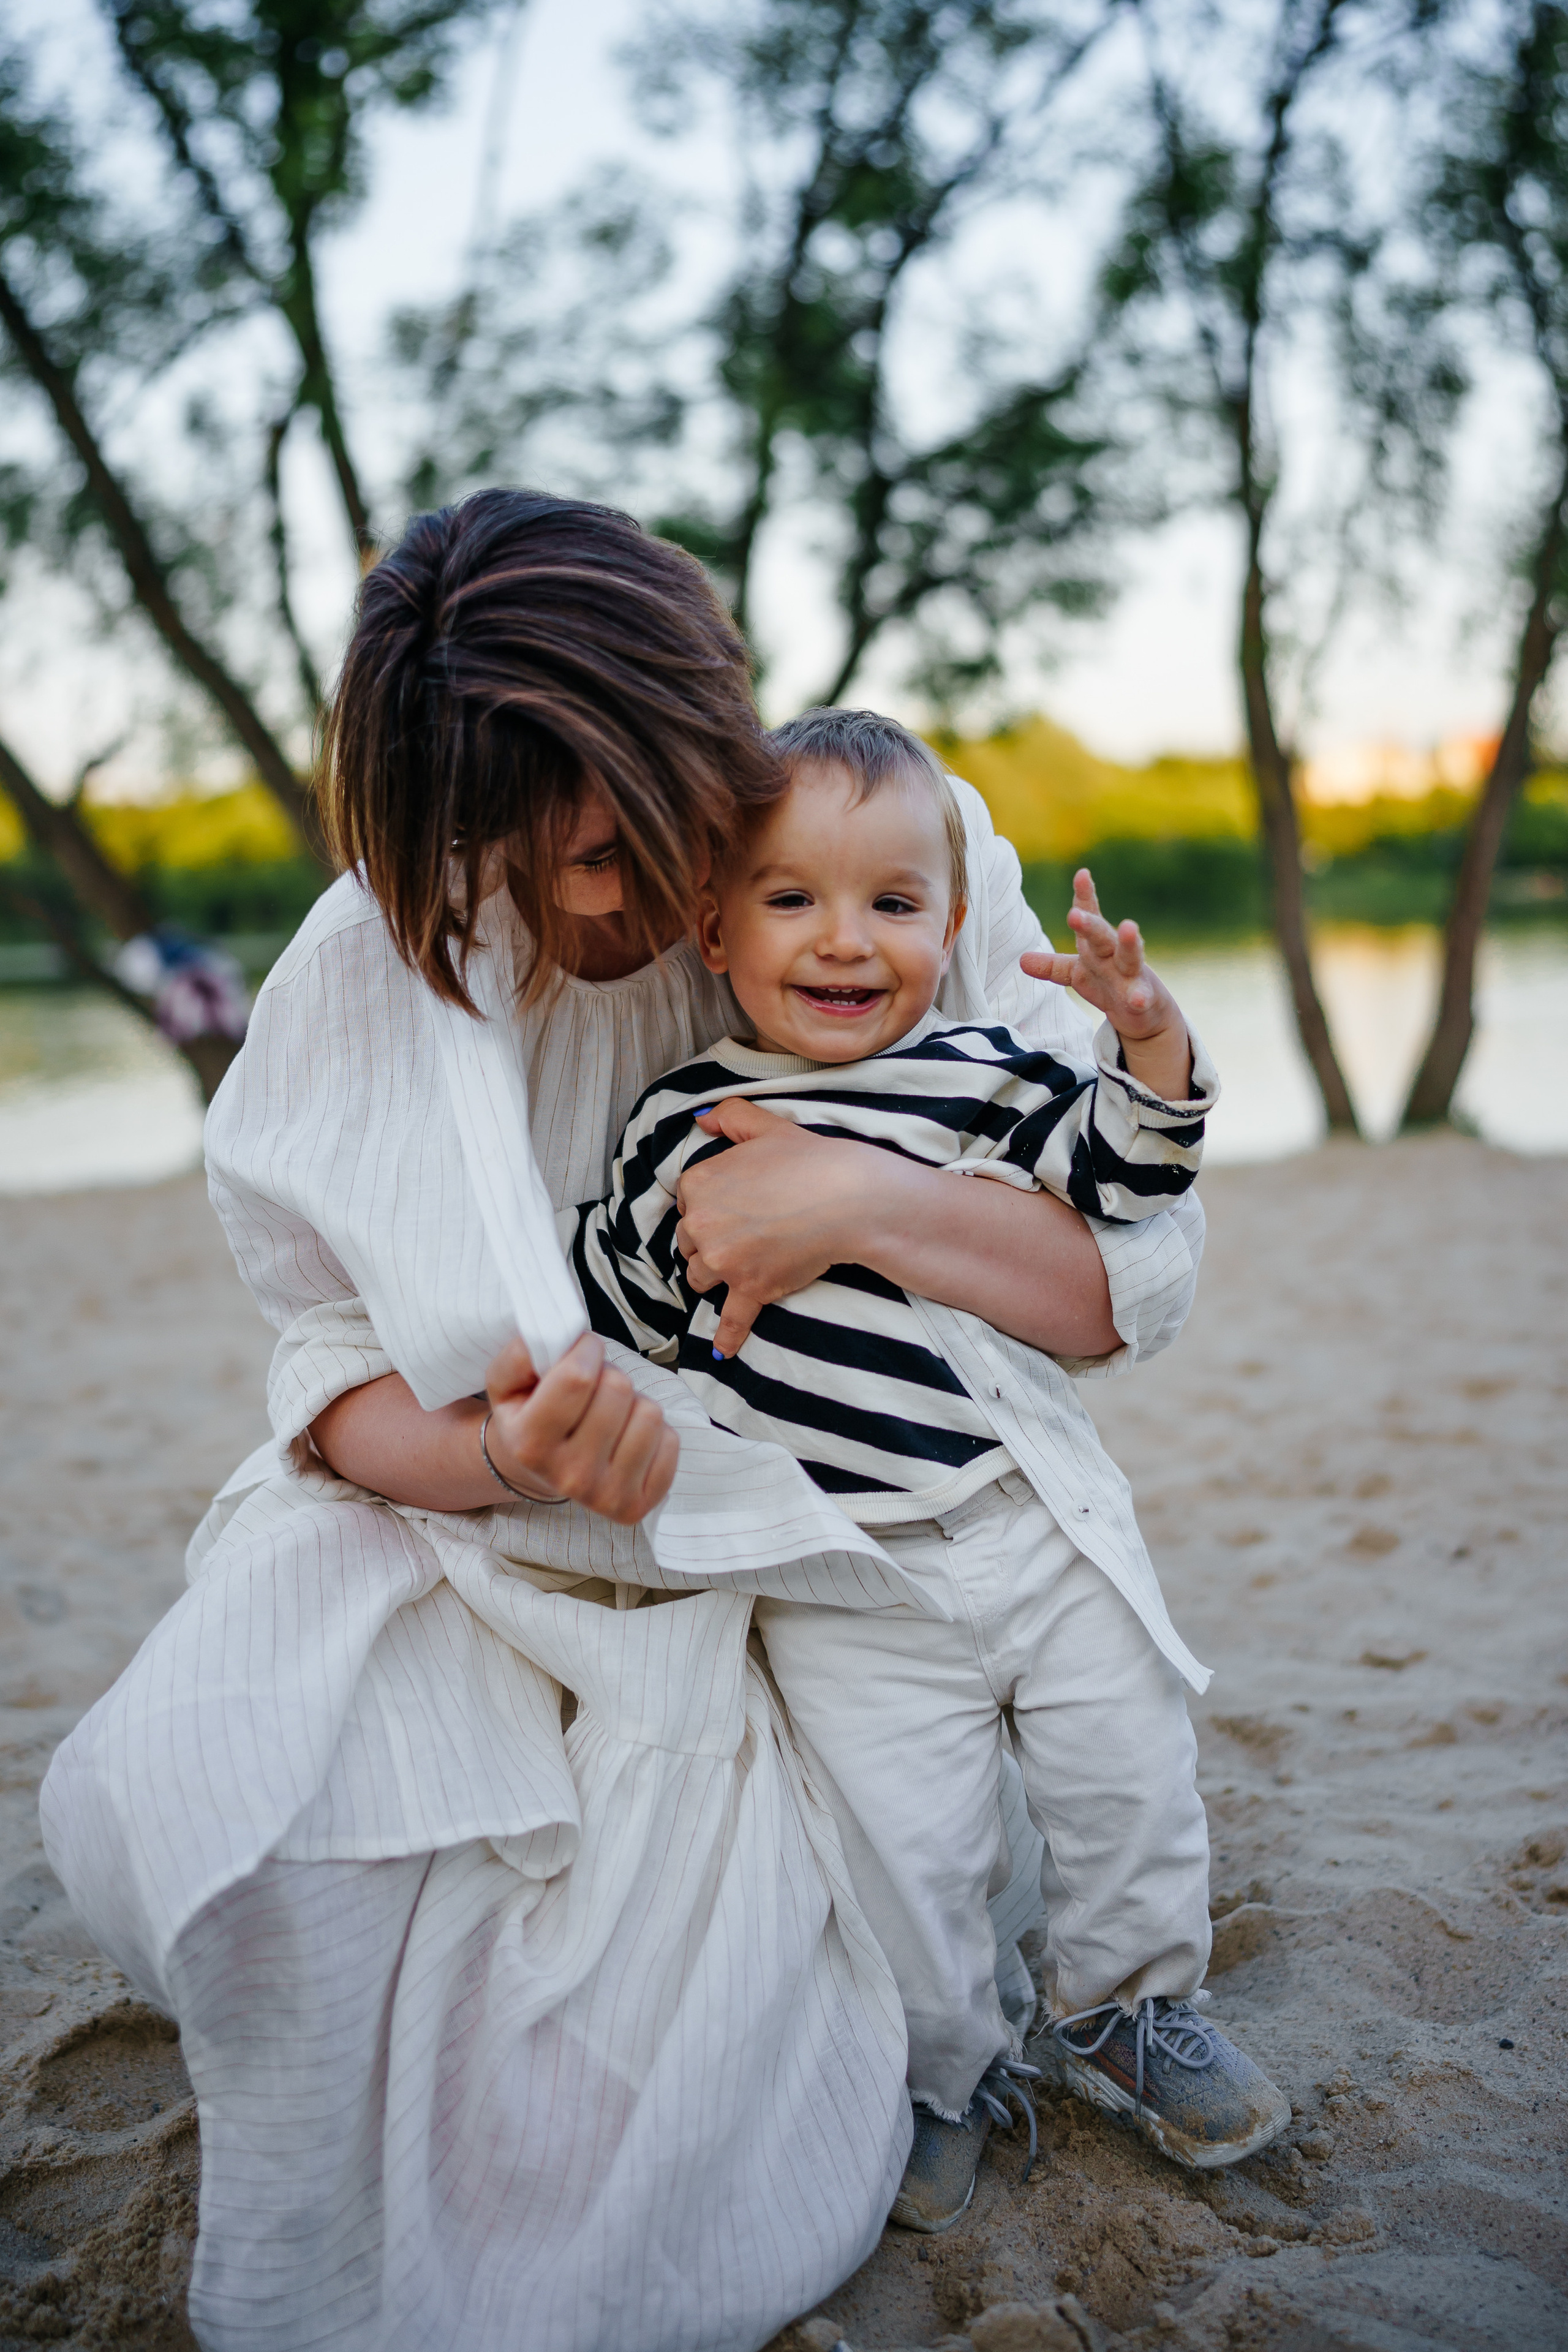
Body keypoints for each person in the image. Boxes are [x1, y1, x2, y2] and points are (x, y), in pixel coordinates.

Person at [41, 490, 1213, 2352]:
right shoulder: (372, 968)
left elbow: (1101, 1295)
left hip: (811, 1527)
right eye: (529, 865)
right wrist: (508, 1455)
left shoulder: (886, 855)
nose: (594, 907)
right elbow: (327, 1387)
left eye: (619, 847)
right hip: (470, 1525)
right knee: (204, 1802)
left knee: (673, 2074)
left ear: (708, 732)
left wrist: (841, 1203)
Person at [568, 709, 1290, 2231]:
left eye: (892, 904)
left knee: (1127, 1771)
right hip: (846, 1570)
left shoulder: (972, 1074)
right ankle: (946, 2074)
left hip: (1026, 1522)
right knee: (904, 1844)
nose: (846, 943)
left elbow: (1126, 1174)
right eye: (792, 901)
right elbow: (618, 1311)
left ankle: (1126, 2009)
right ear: (708, 923)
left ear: (949, 924)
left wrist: (1143, 1034)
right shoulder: (666, 1130)